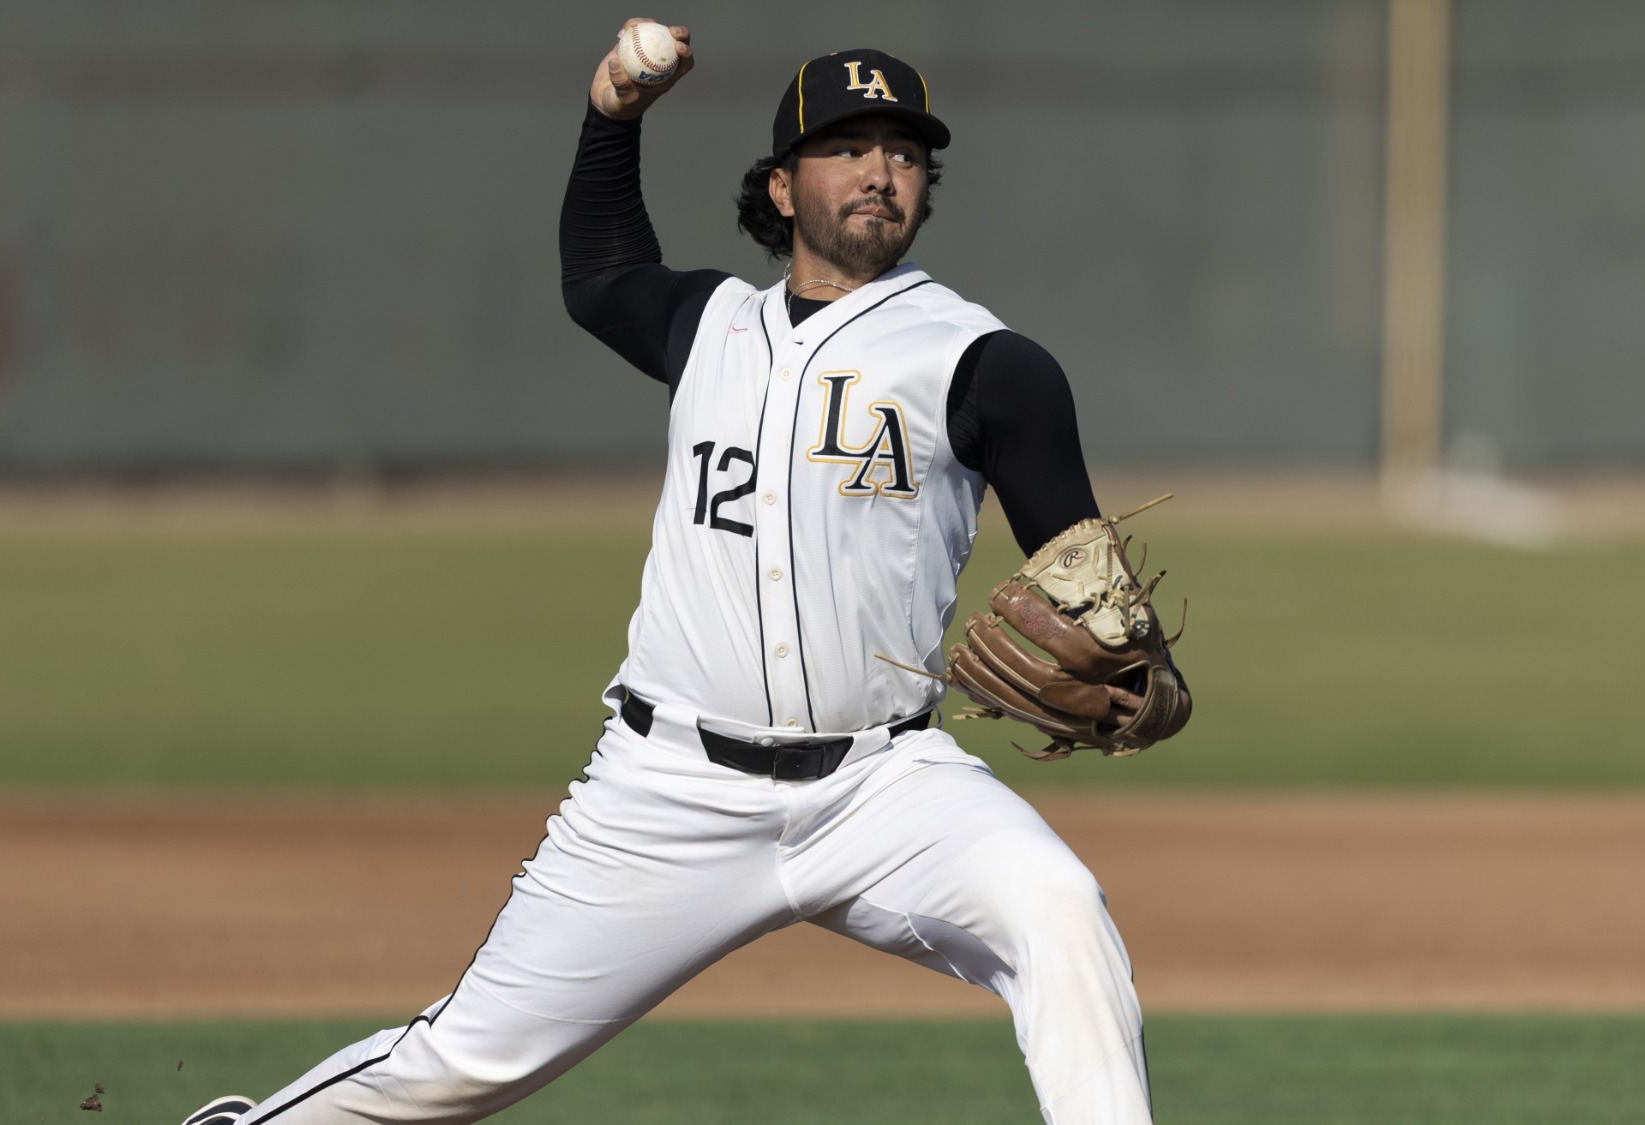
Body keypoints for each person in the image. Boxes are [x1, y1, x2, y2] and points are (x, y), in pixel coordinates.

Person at [181, 21, 1158, 1125]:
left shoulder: (985, 361)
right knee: (464, 1063)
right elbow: (599, 272)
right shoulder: (707, 325)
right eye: (846, 146)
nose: (879, 169)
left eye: (903, 149)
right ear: (783, 189)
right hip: (670, 788)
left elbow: (1081, 570)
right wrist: (611, 116)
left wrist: (1144, 679)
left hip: (882, 788)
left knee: (1059, 911)